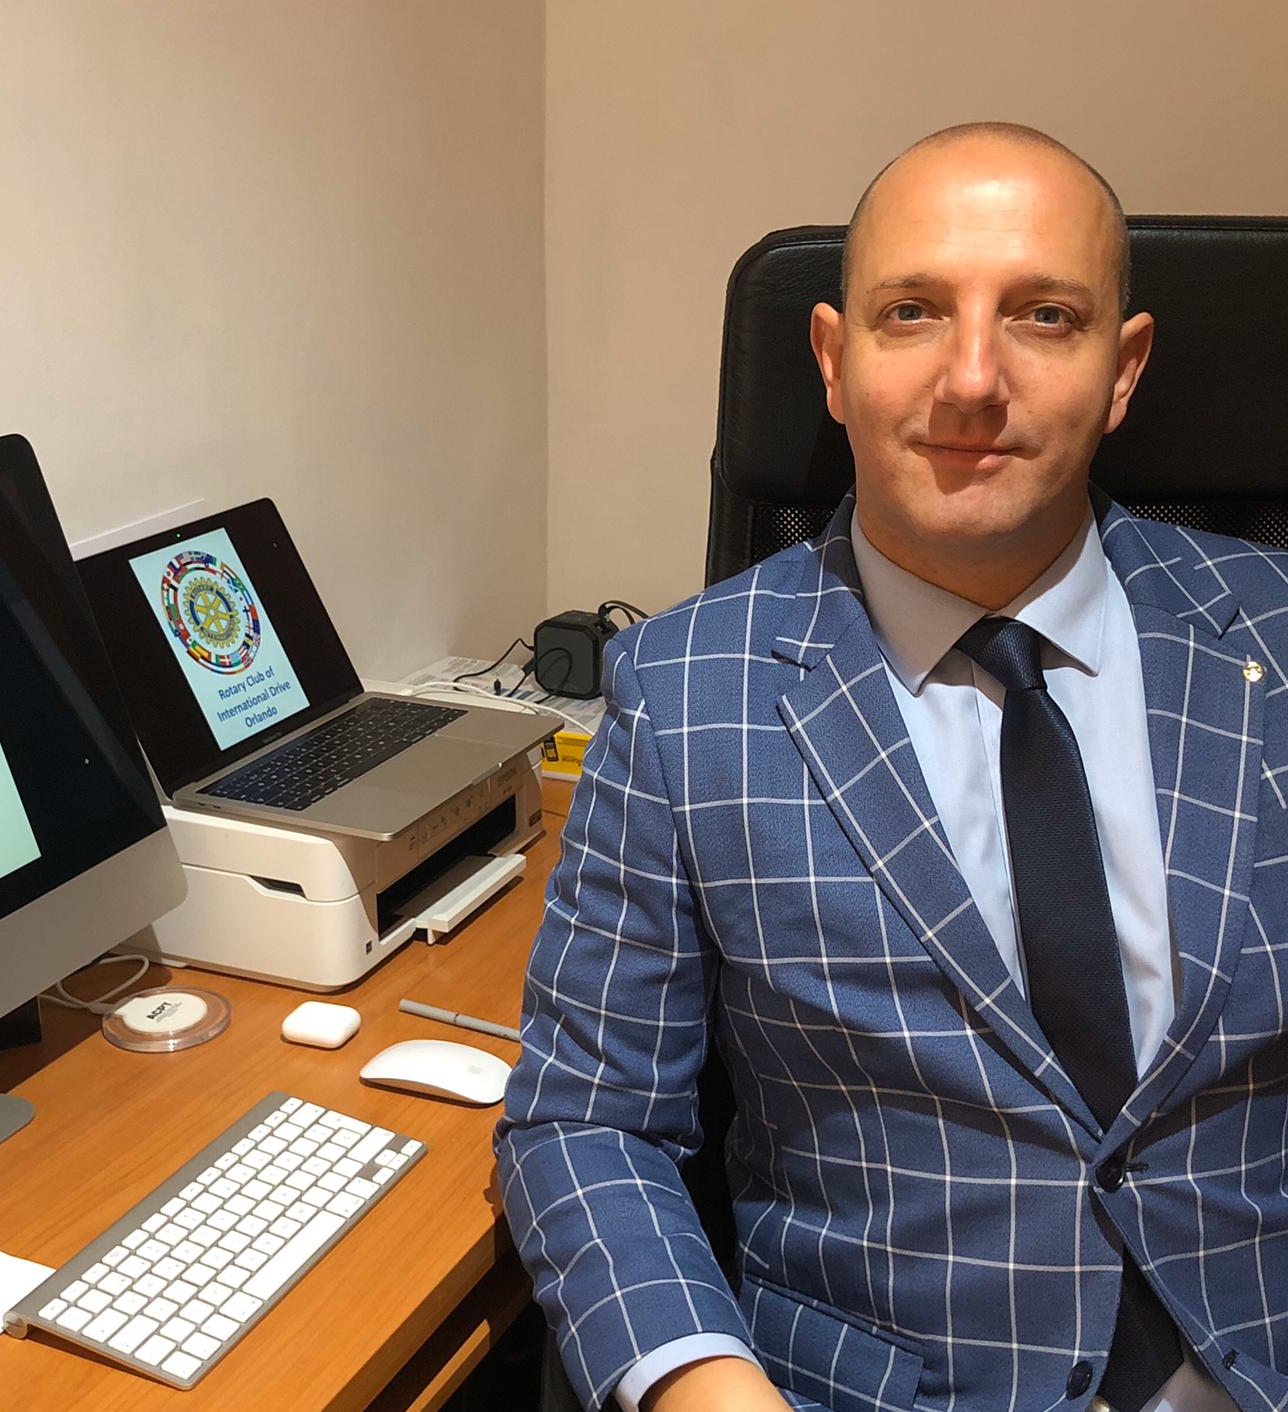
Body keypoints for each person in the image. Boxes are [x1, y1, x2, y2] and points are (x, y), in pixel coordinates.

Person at [496, 122, 1288, 1412]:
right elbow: (587, 1121)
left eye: (1044, 316)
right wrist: (703, 1387)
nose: (972, 380)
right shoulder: (686, 696)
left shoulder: (1275, 639)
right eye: (912, 312)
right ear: (832, 358)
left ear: (1124, 368)